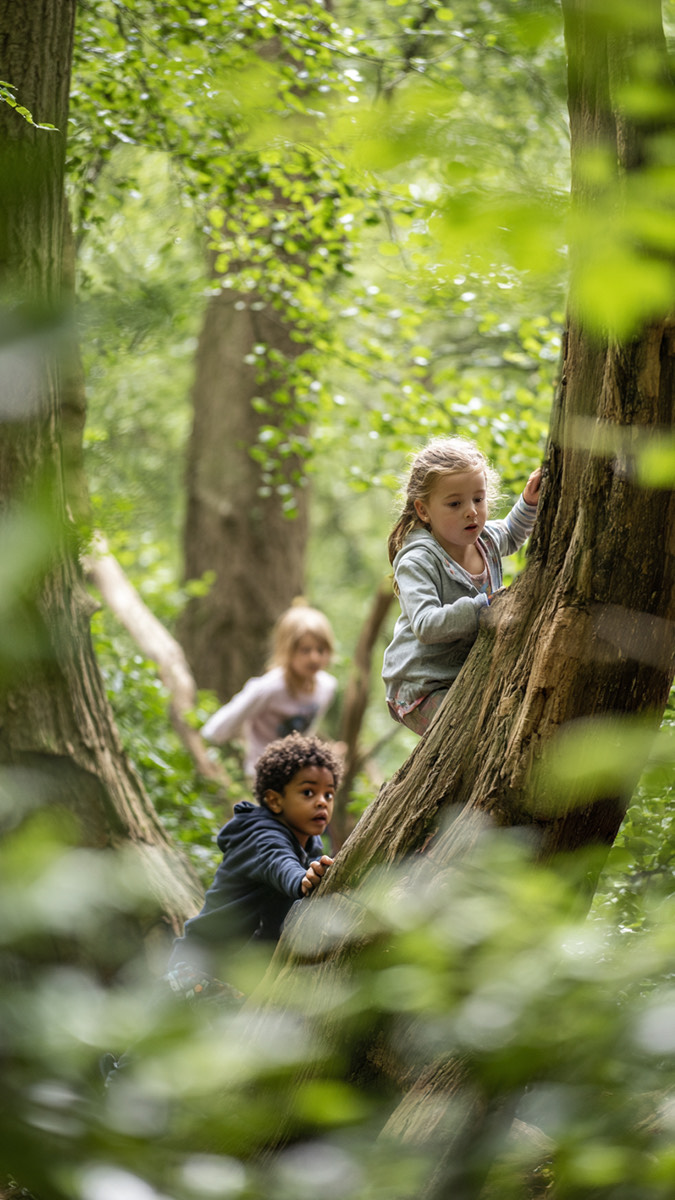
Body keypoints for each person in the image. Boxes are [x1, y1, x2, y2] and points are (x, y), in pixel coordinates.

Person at [382, 435, 542, 735]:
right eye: (455, 503)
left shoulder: (485, 540)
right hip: (422, 686)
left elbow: (511, 531)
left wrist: (529, 502)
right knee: (473, 733)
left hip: (464, 675)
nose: (471, 511)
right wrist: (484, 607)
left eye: (478, 499)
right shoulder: (418, 561)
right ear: (423, 510)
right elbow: (426, 625)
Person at [167, 732, 341, 992]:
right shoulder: (260, 834)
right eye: (308, 792)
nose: (321, 802)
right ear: (275, 800)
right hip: (199, 970)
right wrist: (302, 878)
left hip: (237, 976)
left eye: (328, 795)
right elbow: (277, 862)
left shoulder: (310, 843)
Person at [201, 601, 338, 780]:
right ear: (287, 650)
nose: (314, 657)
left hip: (295, 772)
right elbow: (226, 720)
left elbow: (308, 728)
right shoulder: (269, 688)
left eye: (321, 650)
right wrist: (209, 744)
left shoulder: (326, 687)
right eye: (305, 650)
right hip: (262, 773)